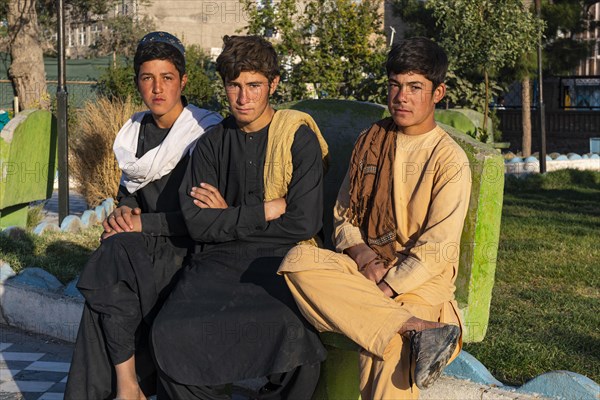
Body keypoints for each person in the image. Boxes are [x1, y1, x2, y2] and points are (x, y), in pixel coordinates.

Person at [278, 37, 472, 399]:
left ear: (438, 92)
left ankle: (404, 325)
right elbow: (341, 216)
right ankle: (416, 327)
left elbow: (437, 249)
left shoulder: (449, 160)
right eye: (396, 85)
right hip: (367, 267)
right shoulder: (372, 140)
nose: (402, 96)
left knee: (384, 349)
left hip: (420, 282)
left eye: (415, 87)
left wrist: (385, 288)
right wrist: (364, 256)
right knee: (296, 261)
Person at [151, 35, 329, 399]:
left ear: (273, 84)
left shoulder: (298, 139)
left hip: (281, 261)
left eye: (254, 86)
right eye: (234, 86)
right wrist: (261, 211)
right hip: (216, 262)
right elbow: (198, 223)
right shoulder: (211, 143)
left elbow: (304, 223)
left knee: (298, 339)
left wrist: (227, 218)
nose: (243, 98)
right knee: (173, 330)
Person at [65, 31, 222, 400]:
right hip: (142, 248)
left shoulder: (205, 133)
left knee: (109, 269)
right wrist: (122, 213)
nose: (157, 89)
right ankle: (128, 386)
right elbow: (127, 195)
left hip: (186, 247)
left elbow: (203, 219)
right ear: (137, 82)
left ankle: (126, 386)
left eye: (167, 78)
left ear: (183, 81)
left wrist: (140, 224)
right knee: (110, 269)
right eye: (147, 78)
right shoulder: (134, 132)